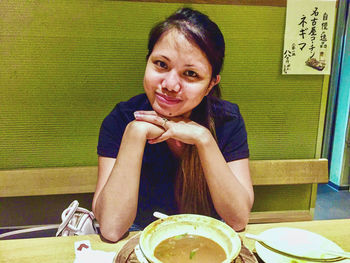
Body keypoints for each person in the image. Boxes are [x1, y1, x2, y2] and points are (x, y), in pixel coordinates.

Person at [92, 7, 254, 242]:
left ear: (211, 84)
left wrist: (203, 139)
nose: (170, 84)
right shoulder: (121, 119)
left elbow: (238, 219)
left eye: (190, 73)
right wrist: (135, 132)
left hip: (207, 237)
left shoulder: (227, 120)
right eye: (161, 64)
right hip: (138, 237)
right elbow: (111, 228)